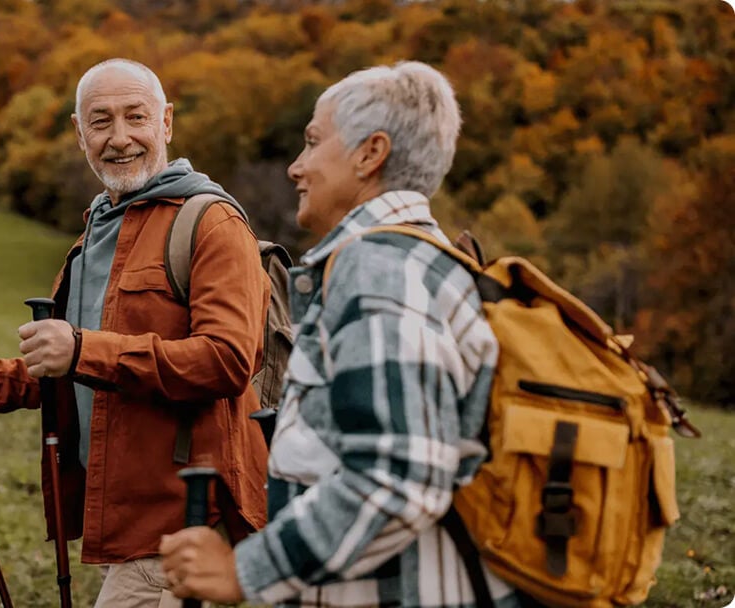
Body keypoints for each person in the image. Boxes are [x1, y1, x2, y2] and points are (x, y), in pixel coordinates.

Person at [160, 61, 526, 607]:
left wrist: (247, 571)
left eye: (312, 142)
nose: (295, 167)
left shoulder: (379, 270)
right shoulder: (421, 260)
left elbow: (397, 478)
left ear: (369, 153)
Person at [0, 58, 269, 607]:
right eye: (100, 122)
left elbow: (227, 360)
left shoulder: (211, 223)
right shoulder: (95, 236)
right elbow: (66, 374)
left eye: (135, 117)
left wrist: (82, 349)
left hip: (188, 520)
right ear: (80, 134)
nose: (119, 138)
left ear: (166, 123)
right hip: (123, 524)